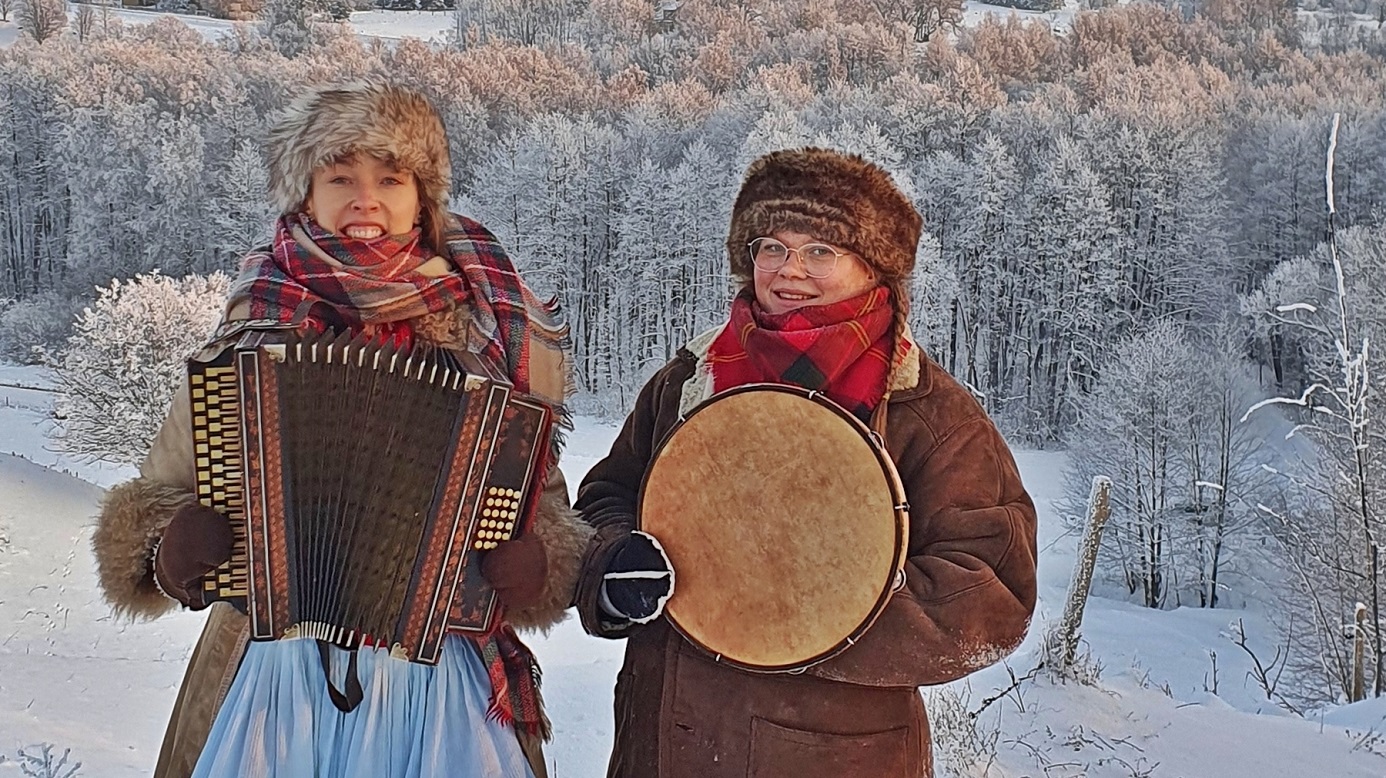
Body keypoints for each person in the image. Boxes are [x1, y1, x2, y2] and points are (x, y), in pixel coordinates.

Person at [91, 82, 590, 778]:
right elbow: (160, 493)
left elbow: (543, 502)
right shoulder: (249, 333)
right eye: (341, 177)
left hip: (439, 670)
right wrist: (163, 547)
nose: (366, 199)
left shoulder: (482, 328)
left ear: (422, 197)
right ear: (307, 194)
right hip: (270, 672)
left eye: (391, 178)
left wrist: (541, 560)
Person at [572, 148, 1039, 778]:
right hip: (662, 744)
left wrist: (803, 616)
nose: (789, 270)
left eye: (820, 250)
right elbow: (609, 495)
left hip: (832, 754)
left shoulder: (926, 412)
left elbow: (990, 593)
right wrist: (613, 561)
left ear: (874, 267)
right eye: (772, 247)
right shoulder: (691, 380)